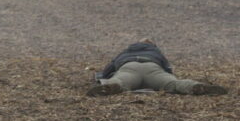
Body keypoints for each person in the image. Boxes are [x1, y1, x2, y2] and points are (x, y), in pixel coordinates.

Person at [87, 39, 227, 96]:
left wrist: (103, 78)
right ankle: (196, 87)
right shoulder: (155, 52)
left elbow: (108, 69)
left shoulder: (126, 52)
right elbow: (167, 69)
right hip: (152, 68)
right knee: (174, 84)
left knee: (120, 82)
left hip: (129, 68)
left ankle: (111, 87)